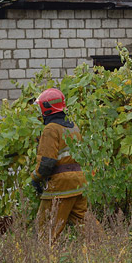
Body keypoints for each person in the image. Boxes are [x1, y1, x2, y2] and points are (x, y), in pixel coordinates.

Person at [30, 88, 88, 242]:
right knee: (88, 228)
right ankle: (106, 252)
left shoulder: (51, 129)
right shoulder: (73, 127)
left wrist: (35, 178)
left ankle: (46, 262)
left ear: (46, 108)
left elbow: (47, 162)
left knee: (46, 229)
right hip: (78, 183)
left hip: (60, 186)